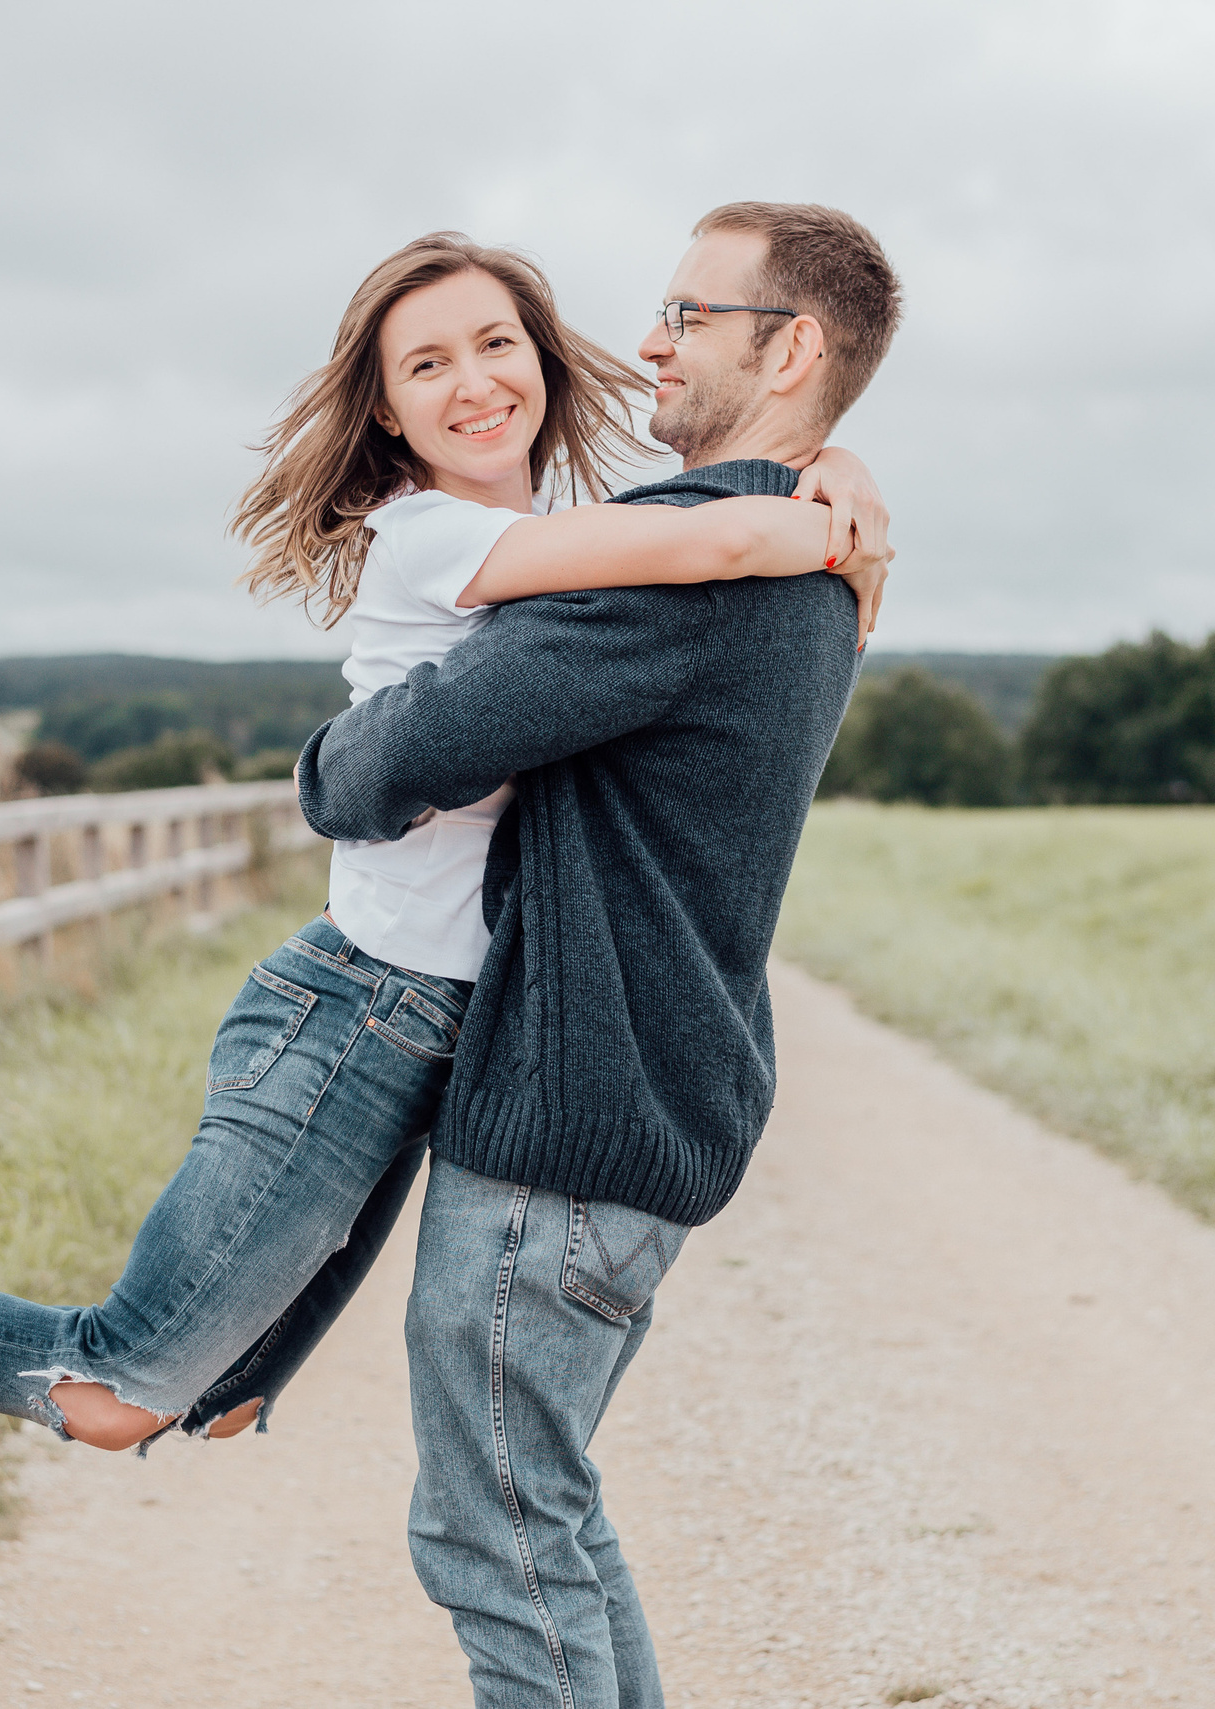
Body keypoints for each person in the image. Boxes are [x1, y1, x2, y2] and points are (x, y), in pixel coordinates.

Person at [0, 229, 893, 1498]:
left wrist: (835, 460)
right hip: (361, 1013)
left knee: (204, 1396)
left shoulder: (558, 549)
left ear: (541, 362)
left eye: (496, 344)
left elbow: (675, 537)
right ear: (387, 414)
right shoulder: (442, 536)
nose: (473, 379)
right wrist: (821, 513)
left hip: (444, 1044)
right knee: (118, 1382)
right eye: (426, 363)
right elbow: (707, 533)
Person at [293, 200, 901, 1708]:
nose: (645, 344)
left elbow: (371, 770)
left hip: (566, 1127)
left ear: (794, 348)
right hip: (647, 1110)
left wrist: (333, 744)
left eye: (690, 315)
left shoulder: (690, 579)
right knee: (539, 1518)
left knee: (493, 1533)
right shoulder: (805, 550)